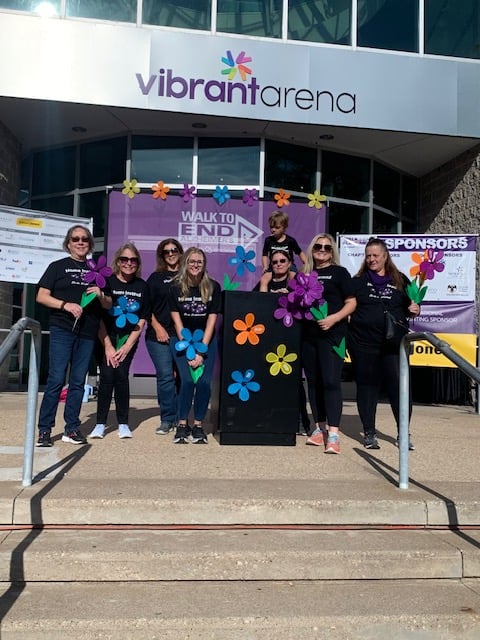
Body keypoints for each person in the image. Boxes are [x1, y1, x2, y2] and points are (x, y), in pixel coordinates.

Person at [36, 225, 112, 447]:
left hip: (87, 332)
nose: (81, 242)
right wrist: (65, 305)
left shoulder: (98, 271)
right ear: (68, 243)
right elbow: (41, 296)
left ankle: (71, 428)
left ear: (90, 244)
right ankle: (44, 430)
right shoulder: (57, 267)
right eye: (76, 239)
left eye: (85, 239)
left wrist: (100, 294)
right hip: (62, 328)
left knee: (78, 382)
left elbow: (108, 304)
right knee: (56, 380)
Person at [347, 237, 420, 451]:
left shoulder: (400, 280)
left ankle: (403, 433)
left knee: (399, 389)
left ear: (385, 256)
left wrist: (416, 309)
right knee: (367, 388)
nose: (371, 259)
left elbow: (411, 307)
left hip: (393, 345)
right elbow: (346, 305)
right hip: (363, 344)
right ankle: (369, 433)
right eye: (368, 256)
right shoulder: (357, 281)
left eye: (375, 255)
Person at [89, 243, 149, 440]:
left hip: (127, 338)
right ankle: (100, 423)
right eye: (124, 259)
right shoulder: (107, 282)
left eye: (133, 260)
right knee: (107, 376)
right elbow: (98, 316)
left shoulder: (142, 286)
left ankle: (123, 423)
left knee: (121, 376)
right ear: (118, 261)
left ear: (137, 263)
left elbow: (142, 318)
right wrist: (108, 345)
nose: (129, 263)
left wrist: (126, 346)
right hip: (105, 336)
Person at [302, 234, 356, 454]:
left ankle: (333, 433)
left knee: (331, 382)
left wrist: (334, 318)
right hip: (309, 336)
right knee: (313, 382)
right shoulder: (305, 274)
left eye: (326, 246)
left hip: (333, 335)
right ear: (312, 249)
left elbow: (351, 303)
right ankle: (319, 428)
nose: (322, 249)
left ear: (332, 250)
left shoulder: (340, 273)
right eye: (318, 246)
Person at [169, 247, 221, 444]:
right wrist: (189, 350)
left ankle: (198, 425)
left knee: (204, 383)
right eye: (192, 261)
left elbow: (211, 321)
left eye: (199, 262)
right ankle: (182, 424)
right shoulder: (175, 288)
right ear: (185, 263)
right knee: (187, 381)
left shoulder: (213, 287)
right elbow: (177, 322)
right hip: (182, 340)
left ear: (204, 264)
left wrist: (201, 350)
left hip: (206, 341)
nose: (195, 265)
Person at [145, 238, 184, 435]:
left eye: (174, 250)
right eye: (166, 251)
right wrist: (158, 327)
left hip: (182, 335)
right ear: (162, 255)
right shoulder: (155, 278)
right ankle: (168, 419)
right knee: (166, 377)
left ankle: (181, 417)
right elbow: (146, 307)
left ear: (180, 252)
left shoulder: (188, 276)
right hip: (157, 335)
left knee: (183, 377)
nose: (170, 253)